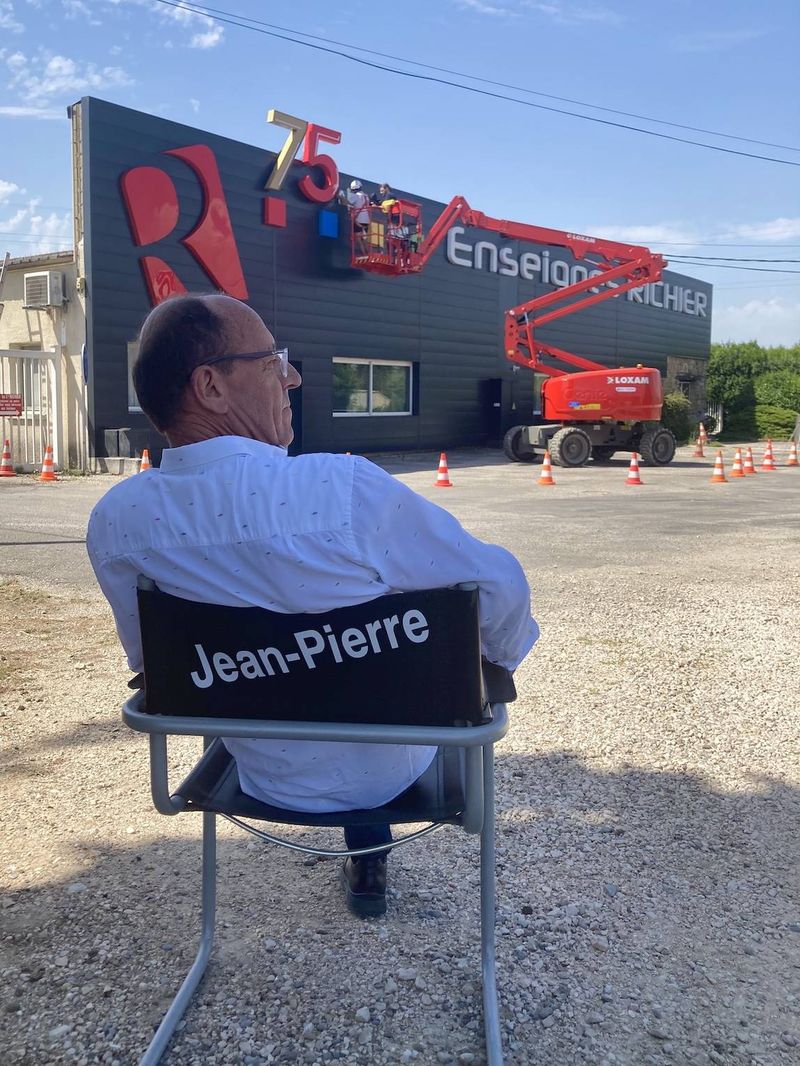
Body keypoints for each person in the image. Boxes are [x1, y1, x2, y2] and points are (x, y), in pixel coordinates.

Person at [87, 294, 539, 918]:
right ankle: (370, 851)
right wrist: (494, 666)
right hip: (393, 770)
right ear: (211, 387)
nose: (292, 377)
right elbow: (500, 587)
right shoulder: (341, 490)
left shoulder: (118, 522)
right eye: (272, 361)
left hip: (259, 772)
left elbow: (156, 664)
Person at [338, 179, 370, 258]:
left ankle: (364, 255)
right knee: (364, 238)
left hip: (359, 220)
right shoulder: (366, 196)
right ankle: (369, 254)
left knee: (359, 239)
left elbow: (347, 202)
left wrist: (340, 196)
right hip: (367, 220)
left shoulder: (356, 196)